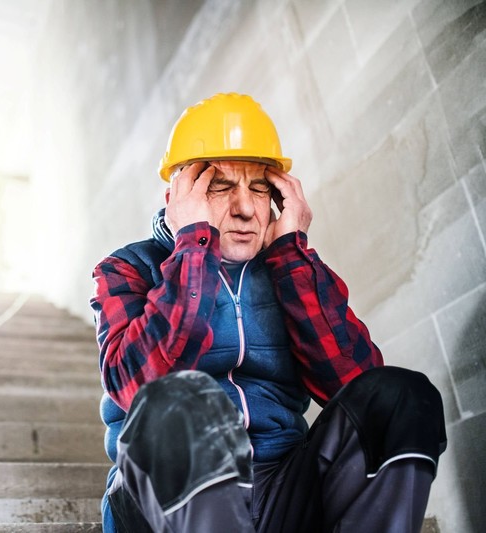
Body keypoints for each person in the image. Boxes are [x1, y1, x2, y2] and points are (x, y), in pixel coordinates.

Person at [90, 92, 446, 532]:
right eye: (220, 187)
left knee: (400, 395)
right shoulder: (127, 269)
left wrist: (290, 256)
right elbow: (138, 387)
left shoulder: (290, 269)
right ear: (177, 197)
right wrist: (193, 250)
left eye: (259, 188)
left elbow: (359, 392)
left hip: (283, 488)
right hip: (165, 499)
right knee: (182, 399)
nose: (244, 208)